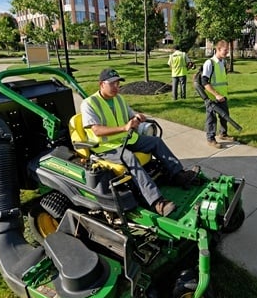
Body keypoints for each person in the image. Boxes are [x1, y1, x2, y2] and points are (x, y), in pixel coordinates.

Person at [80, 68, 199, 216]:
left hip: (125, 139)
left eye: (118, 83)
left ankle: (178, 175)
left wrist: (138, 116)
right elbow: (96, 130)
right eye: (112, 84)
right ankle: (157, 202)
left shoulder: (119, 99)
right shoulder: (89, 103)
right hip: (105, 147)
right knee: (129, 157)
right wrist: (124, 127)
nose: (116, 86)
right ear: (101, 84)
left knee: (156, 142)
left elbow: (131, 114)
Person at [201, 40, 236, 149]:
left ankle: (223, 134)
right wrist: (216, 95)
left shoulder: (222, 62)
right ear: (218, 49)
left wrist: (222, 95)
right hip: (213, 98)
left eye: (227, 51)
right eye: (225, 50)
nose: (227, 53)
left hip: (223, 96)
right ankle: (211, 138)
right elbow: (204, 82)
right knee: (211, 119)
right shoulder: (209, 63)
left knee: (225, 116)